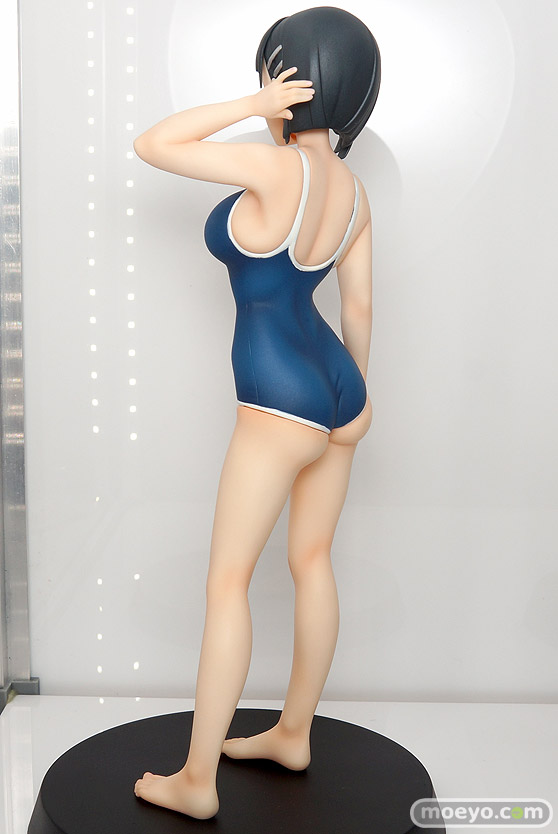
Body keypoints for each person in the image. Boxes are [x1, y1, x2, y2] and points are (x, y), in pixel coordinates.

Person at [132, 6, 380, 820]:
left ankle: (196, 780)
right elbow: (359, 308)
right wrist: (349, 405)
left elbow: (154, 144)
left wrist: (252, 105)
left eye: (271, 74)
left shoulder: (274, 169)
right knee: (312, 560)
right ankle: (292, 734)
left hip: (279, 394)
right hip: (340, 386)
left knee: (227, 581)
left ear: (291, 77)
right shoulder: (354, 192)